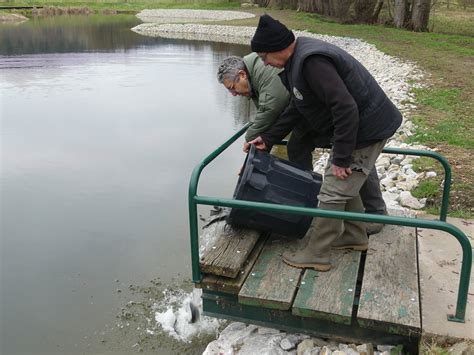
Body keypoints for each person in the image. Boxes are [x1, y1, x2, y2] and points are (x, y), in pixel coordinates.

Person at [246, 14, 403, 271]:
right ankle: (354, 236)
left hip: (367, 127)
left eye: (264, 58)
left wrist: (341, 158)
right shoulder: (298, 60)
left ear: (278, 48)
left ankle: (317, 254)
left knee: (332, 190)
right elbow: (298, 105)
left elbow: (345, 108)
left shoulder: (311, 62)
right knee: (343, 184)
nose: (265, 63)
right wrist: (269, 138)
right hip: (362, 126)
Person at [217, 54, 388, 235]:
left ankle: (376, 213)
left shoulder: (266, 70)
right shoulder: (256, 76)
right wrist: (265, 141)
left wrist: (250, 139)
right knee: (296, 147)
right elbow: (287, 109)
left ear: (242, 75)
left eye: (232, 88)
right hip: (308, 113)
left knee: (357, 157)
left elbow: (271, 107)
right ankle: (307, 203)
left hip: (342, 117)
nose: (233, 94)